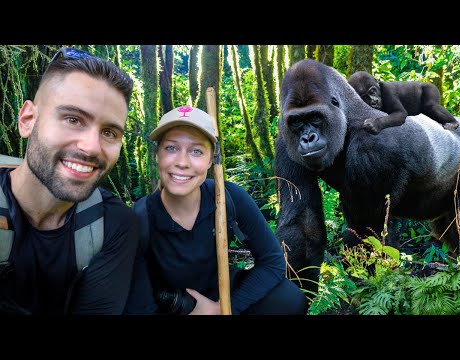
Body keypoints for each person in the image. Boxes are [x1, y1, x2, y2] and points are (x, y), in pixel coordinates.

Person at [124, 105, 308, 315]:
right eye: (171, 148)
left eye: (196, 151)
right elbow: (138, 304)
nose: (182, 162)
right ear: (157, 155)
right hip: (172, 304)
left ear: (211, 160)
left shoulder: (228, 197)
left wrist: (223, 309)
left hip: (222, 291)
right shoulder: (139, 218)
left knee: (288, 300)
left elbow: (272, 261)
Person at [0, 47, 139, 315]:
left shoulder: (115, 225)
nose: (91, 147)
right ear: (27, 120)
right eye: (73, 119)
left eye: (109, 132)